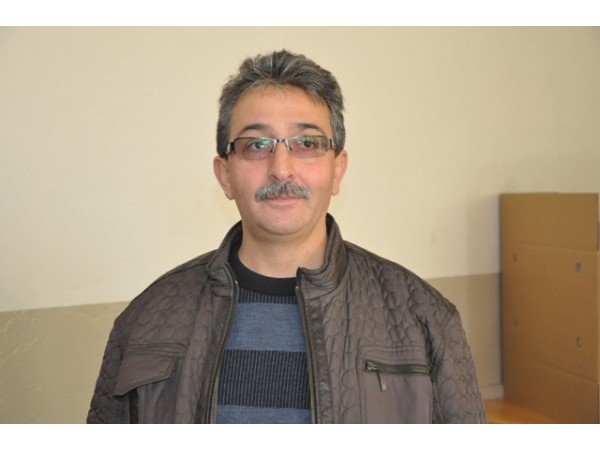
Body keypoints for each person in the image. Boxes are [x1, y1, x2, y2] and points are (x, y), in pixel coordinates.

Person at [87, 49, 486, 424]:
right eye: (256, 145)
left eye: (307, 143)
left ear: (338, 170)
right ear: (225, 175)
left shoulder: (424, 318)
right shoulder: (146, 321)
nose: (281, 168)